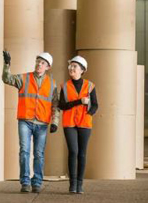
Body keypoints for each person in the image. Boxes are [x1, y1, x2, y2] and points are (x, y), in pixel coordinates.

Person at [2, 51, 60, 193]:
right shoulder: (24, 78)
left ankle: (37, 183)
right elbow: (7, 79)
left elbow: (55, 105)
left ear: (48, 67)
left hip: (42, 123)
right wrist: (7, 64)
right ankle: (25, 183)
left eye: (42, 63)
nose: (39, 64)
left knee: (39, 154)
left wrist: (55, 122)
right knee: (24, 151)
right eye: (38, 62)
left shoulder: (52, 84)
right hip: (25, 121)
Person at [59, 55, 98, 194]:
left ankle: (80, 184)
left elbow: (96, 106)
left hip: (85, 124)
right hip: (69, 123)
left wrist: (89, 113)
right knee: (73, 152)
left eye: (74, 66)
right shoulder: (64, 86)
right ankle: (72, 184)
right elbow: (61, 105)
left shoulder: (90, 86)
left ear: (82, 70)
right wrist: (79, 102)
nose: (71, 68)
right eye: (70, 66)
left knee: (82, 154)